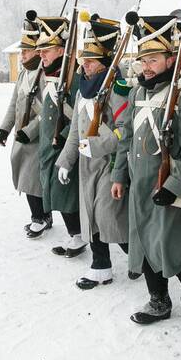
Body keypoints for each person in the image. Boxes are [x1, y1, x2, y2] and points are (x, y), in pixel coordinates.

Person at [111, 14, 181, 325]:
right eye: (144, 59)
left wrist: (173, 185)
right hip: (138, 183)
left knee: (166, 244)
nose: (147, 66)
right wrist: (118, 176)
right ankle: (158, 301)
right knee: (143, 240)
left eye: (154, 59)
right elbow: (125, 137)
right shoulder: (138, 93)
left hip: (167, 185)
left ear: (171, 59)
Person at [56, 15, 131, 289]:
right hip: (87, 166)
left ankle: (138, 257)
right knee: (91, 215)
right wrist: (66, 161)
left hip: (110, 164)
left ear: (105, 63)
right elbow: (76, 130)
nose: (84, 65)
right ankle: (101, 266)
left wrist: (98, 144)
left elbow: (125, 130)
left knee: (107, 216)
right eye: (84, 60)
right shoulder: (83, 91)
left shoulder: (118, 89)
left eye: (91, 61)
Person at [28, 12, 85, 257]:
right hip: (48, 145)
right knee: (55, 190)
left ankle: (78, 236)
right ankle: (75, 235)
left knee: (66, 193)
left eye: (46, 50)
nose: (41, 54)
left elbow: (81, 113)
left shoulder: (72, 77)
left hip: (64, 145)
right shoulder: (49, 75)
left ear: (61, 50)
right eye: (40, 50)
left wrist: (62, 134)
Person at [0, 18, 54, 238]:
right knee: (27, 177)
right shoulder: (23, 73)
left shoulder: (44, 75)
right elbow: (14, 103)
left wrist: (29, 131)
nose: (21, 56)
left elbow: (48, 111)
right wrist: (5, 128)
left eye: (25, 52)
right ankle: (43, 216)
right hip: (22, 136)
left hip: (36, 136)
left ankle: (39, 218)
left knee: (32, 180)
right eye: (22, 52)